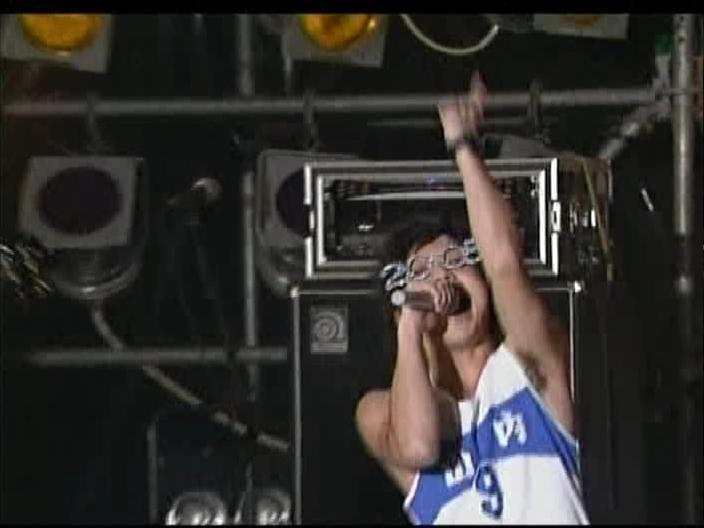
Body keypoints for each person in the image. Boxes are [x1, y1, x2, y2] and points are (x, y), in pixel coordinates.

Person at [355, 73, 589, 524]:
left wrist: (463, 144)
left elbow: (504, 263)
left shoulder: (525, 367)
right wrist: (411, 327)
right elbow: (419, 446)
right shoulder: (377, 410)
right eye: (421, 271)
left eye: (455, 259)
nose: (442, 275)